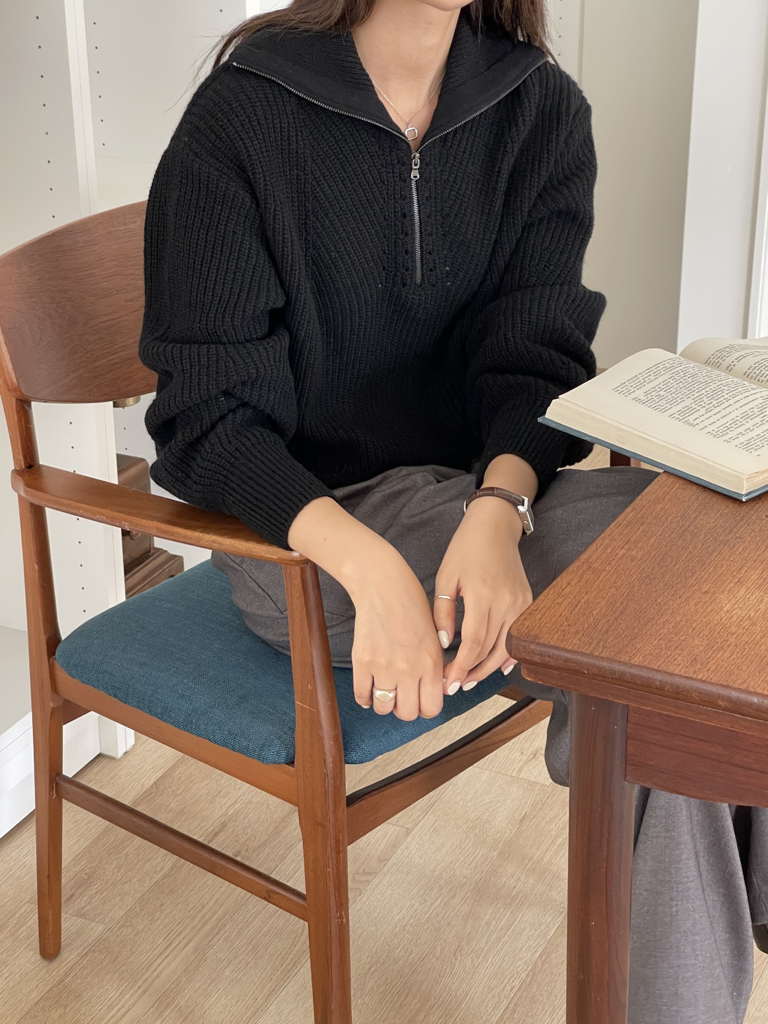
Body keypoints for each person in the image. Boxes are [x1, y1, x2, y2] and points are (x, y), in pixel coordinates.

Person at [137, 2, 767, 1021]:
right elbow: (209, 422)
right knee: (657, 657)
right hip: (303, 529)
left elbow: (533, 357)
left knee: (726, 556)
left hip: (477, 497)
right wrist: (374, 571)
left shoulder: (537, 110)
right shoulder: (244, 117)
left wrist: (497, 509)